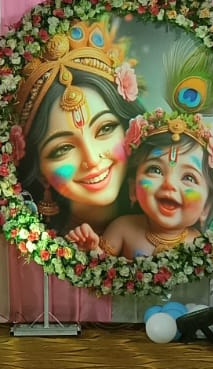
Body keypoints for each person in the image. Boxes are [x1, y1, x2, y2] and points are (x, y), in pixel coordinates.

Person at [11, 30, 145, 235]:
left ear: (131, 129)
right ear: (40, 172)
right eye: (63, 148)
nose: (91, 159)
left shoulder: (173, 219)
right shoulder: (36, 240)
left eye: (105, 129)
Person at [67, 111, 213, 257]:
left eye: (189, 178)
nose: (169, 184)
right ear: (132, 189)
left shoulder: (200, 245)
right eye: (155, 170)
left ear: (207, 207)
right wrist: (91, 249)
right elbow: (102, 269)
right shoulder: (123, 228)